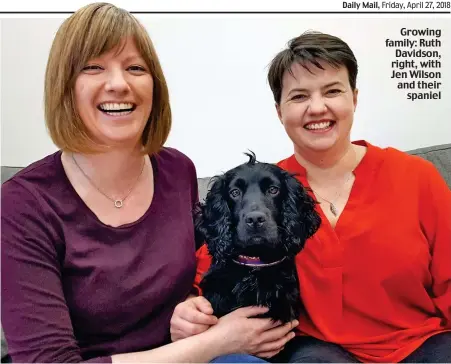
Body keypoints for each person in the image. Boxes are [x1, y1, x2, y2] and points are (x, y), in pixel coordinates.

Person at [0, 3, 298, 363]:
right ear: (65, 87)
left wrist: (192, 308)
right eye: (93, 67)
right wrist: (215, 342)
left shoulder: (177, 170)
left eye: (135, 68)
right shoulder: (22, 205)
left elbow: (199, 264)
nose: (118, 84)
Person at [171, 31, 451, 363]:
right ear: (279, 110)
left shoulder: (416, 177)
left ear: (354, 98)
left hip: (421, 344)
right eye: (299, 96)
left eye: (333, 91)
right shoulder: (263, 190)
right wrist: (189, 309)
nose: (317, 108)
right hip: (316, 351)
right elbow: (209, 268)